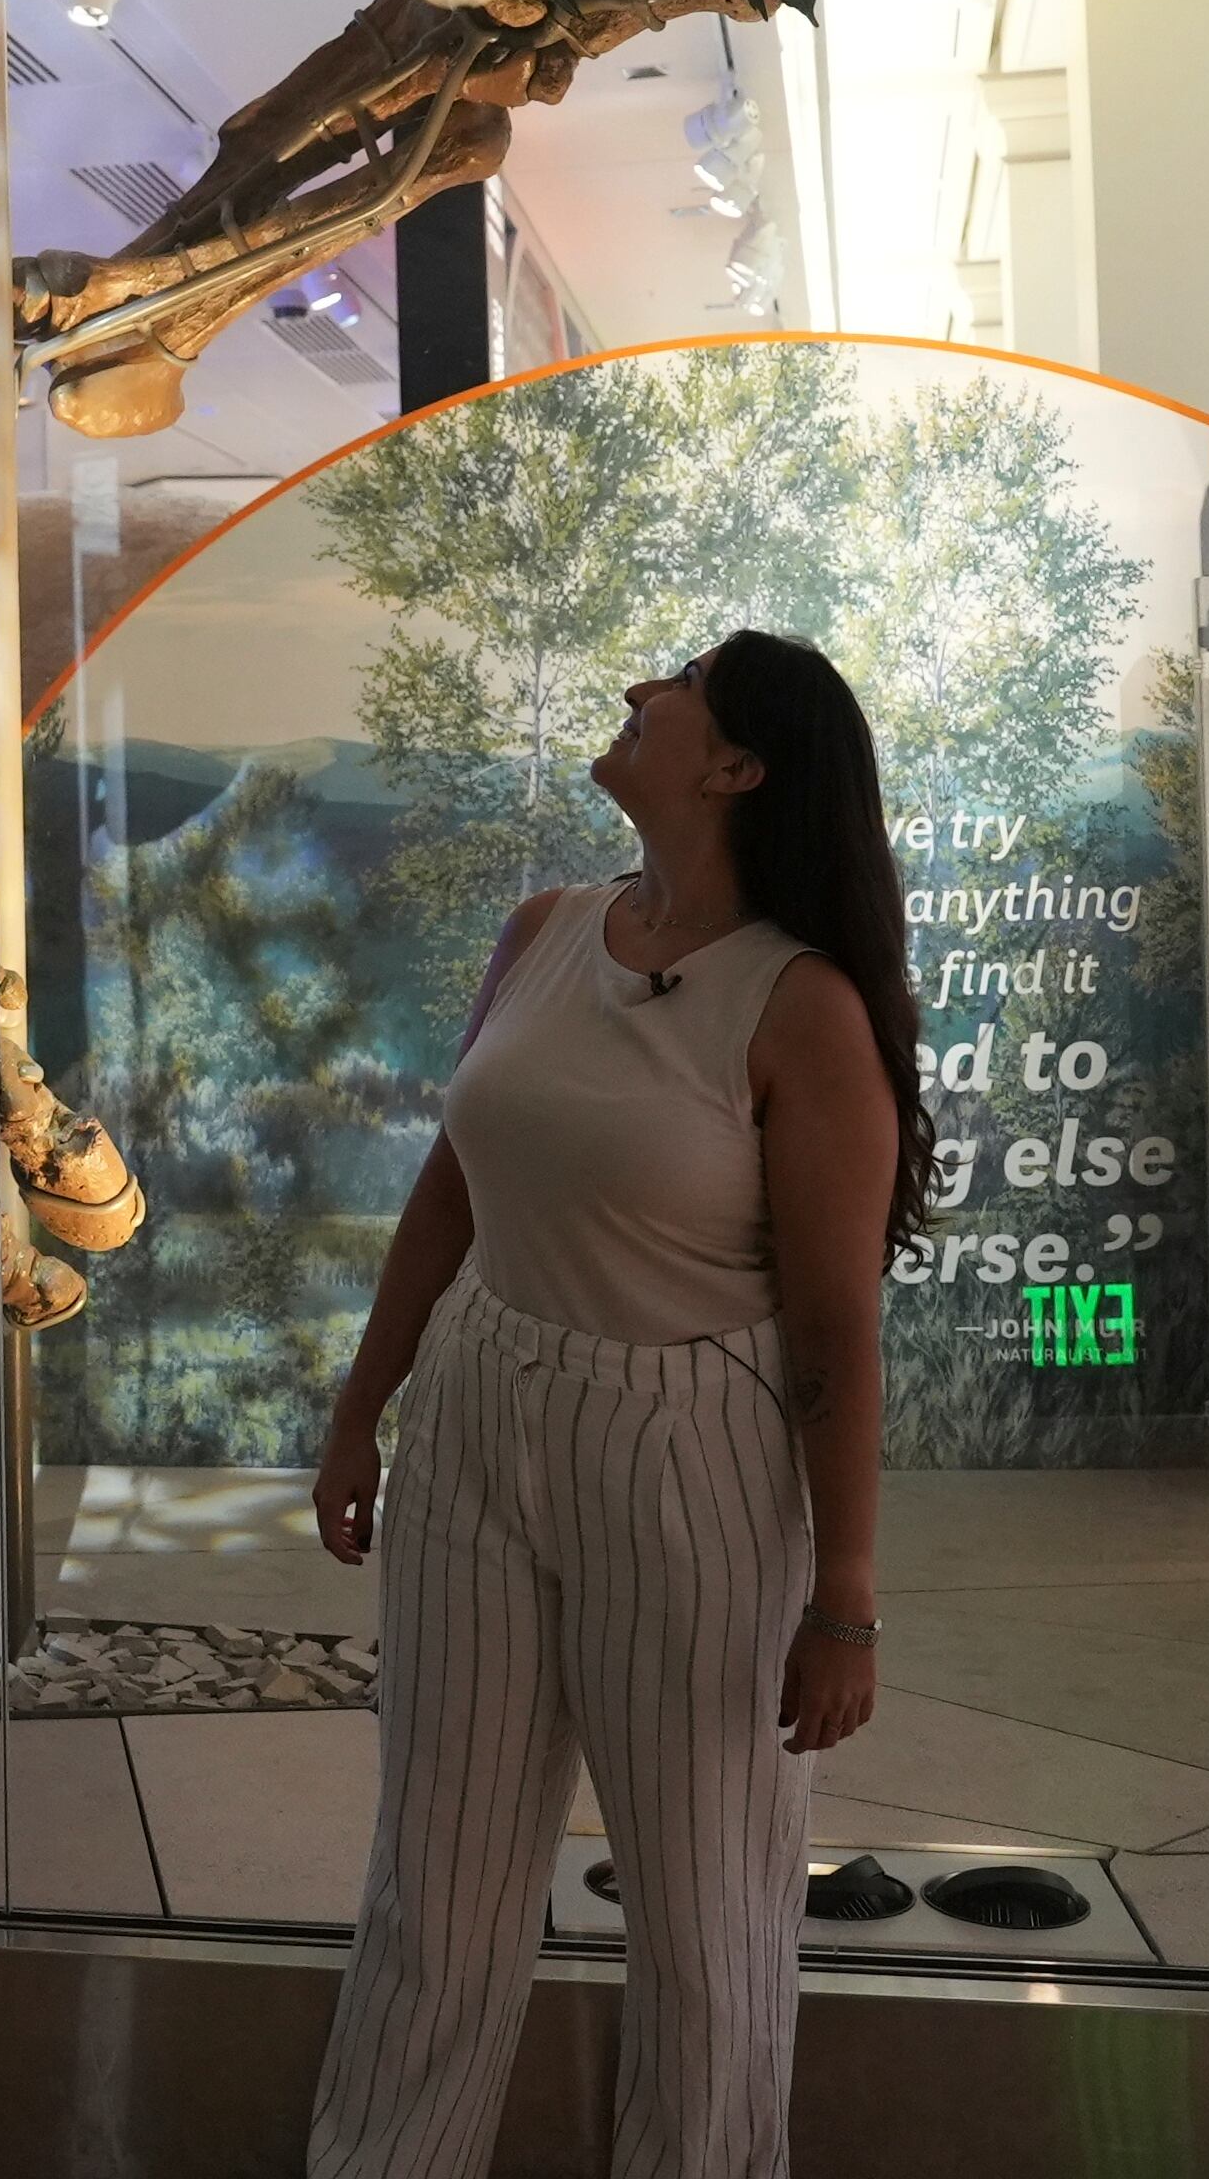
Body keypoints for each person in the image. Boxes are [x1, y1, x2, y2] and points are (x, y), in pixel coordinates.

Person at [304, 631, 928, 2179]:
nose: (644, 692)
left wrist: (844, 1599)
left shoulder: (800, 1010)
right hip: (478, 1412)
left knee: (707, 1915)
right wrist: (363, 1405)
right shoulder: (546, 931)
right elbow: (452, 1191)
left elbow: (835, 1329)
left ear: (738, 767)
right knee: (434, 1886)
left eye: (683, 682)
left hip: (688, 1450)